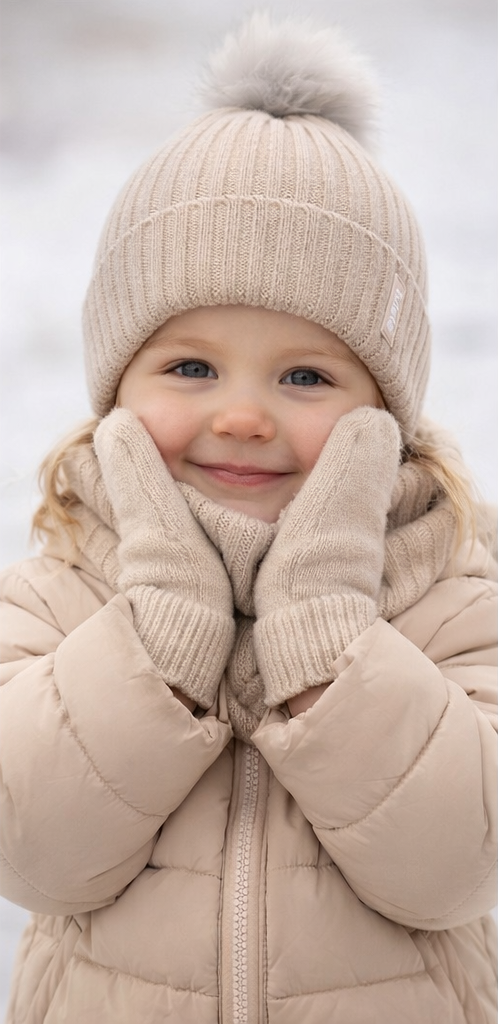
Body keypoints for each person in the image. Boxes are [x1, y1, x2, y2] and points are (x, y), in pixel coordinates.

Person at [0, 12, 496, 1023]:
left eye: (306, 374)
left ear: (385, 415)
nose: (241, 414)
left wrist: (328, 637)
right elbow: (33, 852)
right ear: (116, 387)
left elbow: (460, 866)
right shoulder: (60, 585)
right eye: (191, 365)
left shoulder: (447, 587)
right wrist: (158, 633)